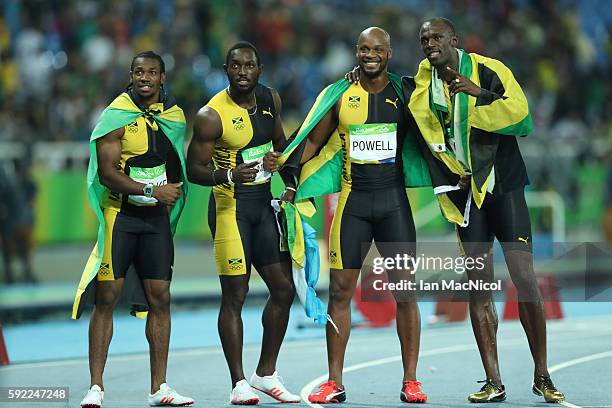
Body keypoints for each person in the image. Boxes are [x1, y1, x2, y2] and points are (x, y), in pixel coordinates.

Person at [346, 18, 565, 404]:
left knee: (525, 279)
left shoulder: (489, 70)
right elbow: (390, 88)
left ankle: (543, 375)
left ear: (454, 40)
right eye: (423, 39)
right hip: (463, 196)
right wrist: (359, 77)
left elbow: (523, 118)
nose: (429, 43)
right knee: (479, 286)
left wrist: (477, 93)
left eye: (436, 37)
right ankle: (493, 380)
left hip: (503, 188)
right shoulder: (418, 85)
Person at [278, 27, 429, 404]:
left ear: (390, 53)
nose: (370, 54)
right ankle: (334, 381)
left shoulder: (405, 93)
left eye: (377, 49)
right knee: (340, 293)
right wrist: (290, 169)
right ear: (356, 52)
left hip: (393, 205)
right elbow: (313, 139)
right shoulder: (341, 93)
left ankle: (411, 381)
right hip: (353, 206)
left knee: (405, 292)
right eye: (364, 48)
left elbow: (430, 128)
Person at [74, 51, 194, 407]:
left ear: (162, 79)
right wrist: (149, 190)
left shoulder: (174, 117)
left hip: (155, 221)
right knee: (107, 298)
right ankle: (95, 387)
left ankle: (160, 388)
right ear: (131, 76)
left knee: (161, 298)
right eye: (139, 72)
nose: (145, 78)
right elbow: (108, 173)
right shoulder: (116, 116)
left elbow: (175, 161)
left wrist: (170, 189)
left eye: (152, 72)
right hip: (120, 218)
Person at [186, 41, 300, 405]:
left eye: (249, 65)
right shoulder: (211, 115)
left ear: (259, 68)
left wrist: (289, 183)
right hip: (229, 209)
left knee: (284, 289)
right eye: (235, 66)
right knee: (235, 295)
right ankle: (238, 382)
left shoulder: (271, 99)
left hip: (264, 207)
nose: (242, 72)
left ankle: (265, 373)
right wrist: (229, 174)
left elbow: (280, 146)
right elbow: (193, 170)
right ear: (226, 69)